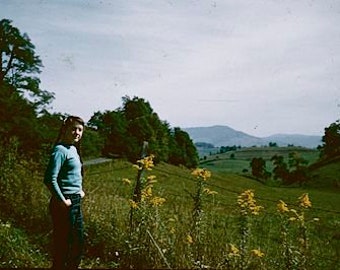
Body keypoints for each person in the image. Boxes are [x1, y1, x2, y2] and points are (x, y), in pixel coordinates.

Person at [44, 115, 85, 270]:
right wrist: (62, 200)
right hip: (64, 203)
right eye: (73, 129)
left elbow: (73, 175)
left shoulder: (73, 149)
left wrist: (79, 191)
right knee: (64, 245)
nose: (77, 132)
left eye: (80, 130)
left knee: (77, 243)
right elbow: (50, 179)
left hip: (75, 201)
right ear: (65, 130)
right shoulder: (60, 150)